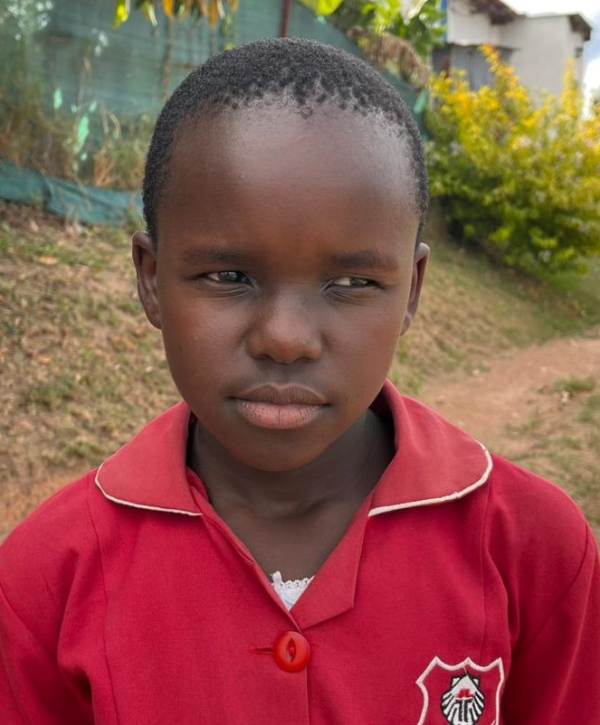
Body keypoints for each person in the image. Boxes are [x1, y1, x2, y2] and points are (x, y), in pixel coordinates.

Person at [0, 38, 598, 725]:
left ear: (411, 290)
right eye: (228, 276)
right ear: (151, 279)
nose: (285, 338)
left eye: (353, 282)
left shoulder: (533, 549)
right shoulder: (45, 581)